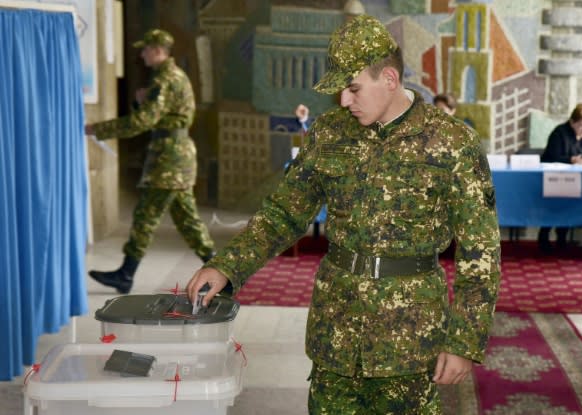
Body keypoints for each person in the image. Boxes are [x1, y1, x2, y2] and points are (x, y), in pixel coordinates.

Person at [186, 15, 501, 414]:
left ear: (389, 78)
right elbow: (284, 212)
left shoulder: (452, 142)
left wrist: (464, 341)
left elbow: (481, 251)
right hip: (337, 330)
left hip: (409, 335)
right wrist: (228, 267)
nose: (344, 101)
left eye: (353, 89)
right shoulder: (329, 132)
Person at [85, 29, 215, 294]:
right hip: (177, 157)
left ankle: (126, 274)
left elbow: (144, 121)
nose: (142, 54)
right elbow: (159, 114)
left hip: (168, 161)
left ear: (158, 50)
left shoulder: (163, 79)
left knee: (146, 216)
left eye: (145, 49)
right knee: (188, 222)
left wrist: (97, 129)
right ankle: (221, 271)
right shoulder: (174, 76)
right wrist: (140, 104)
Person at [537, 103, 582, 253]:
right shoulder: (559, 132)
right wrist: (572, 160)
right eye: (581, 126)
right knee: (556, 203)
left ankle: (562, 239)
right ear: (572, 122)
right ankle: (544, 237)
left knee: (574, 202)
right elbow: (551, 157)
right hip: (554, 179)